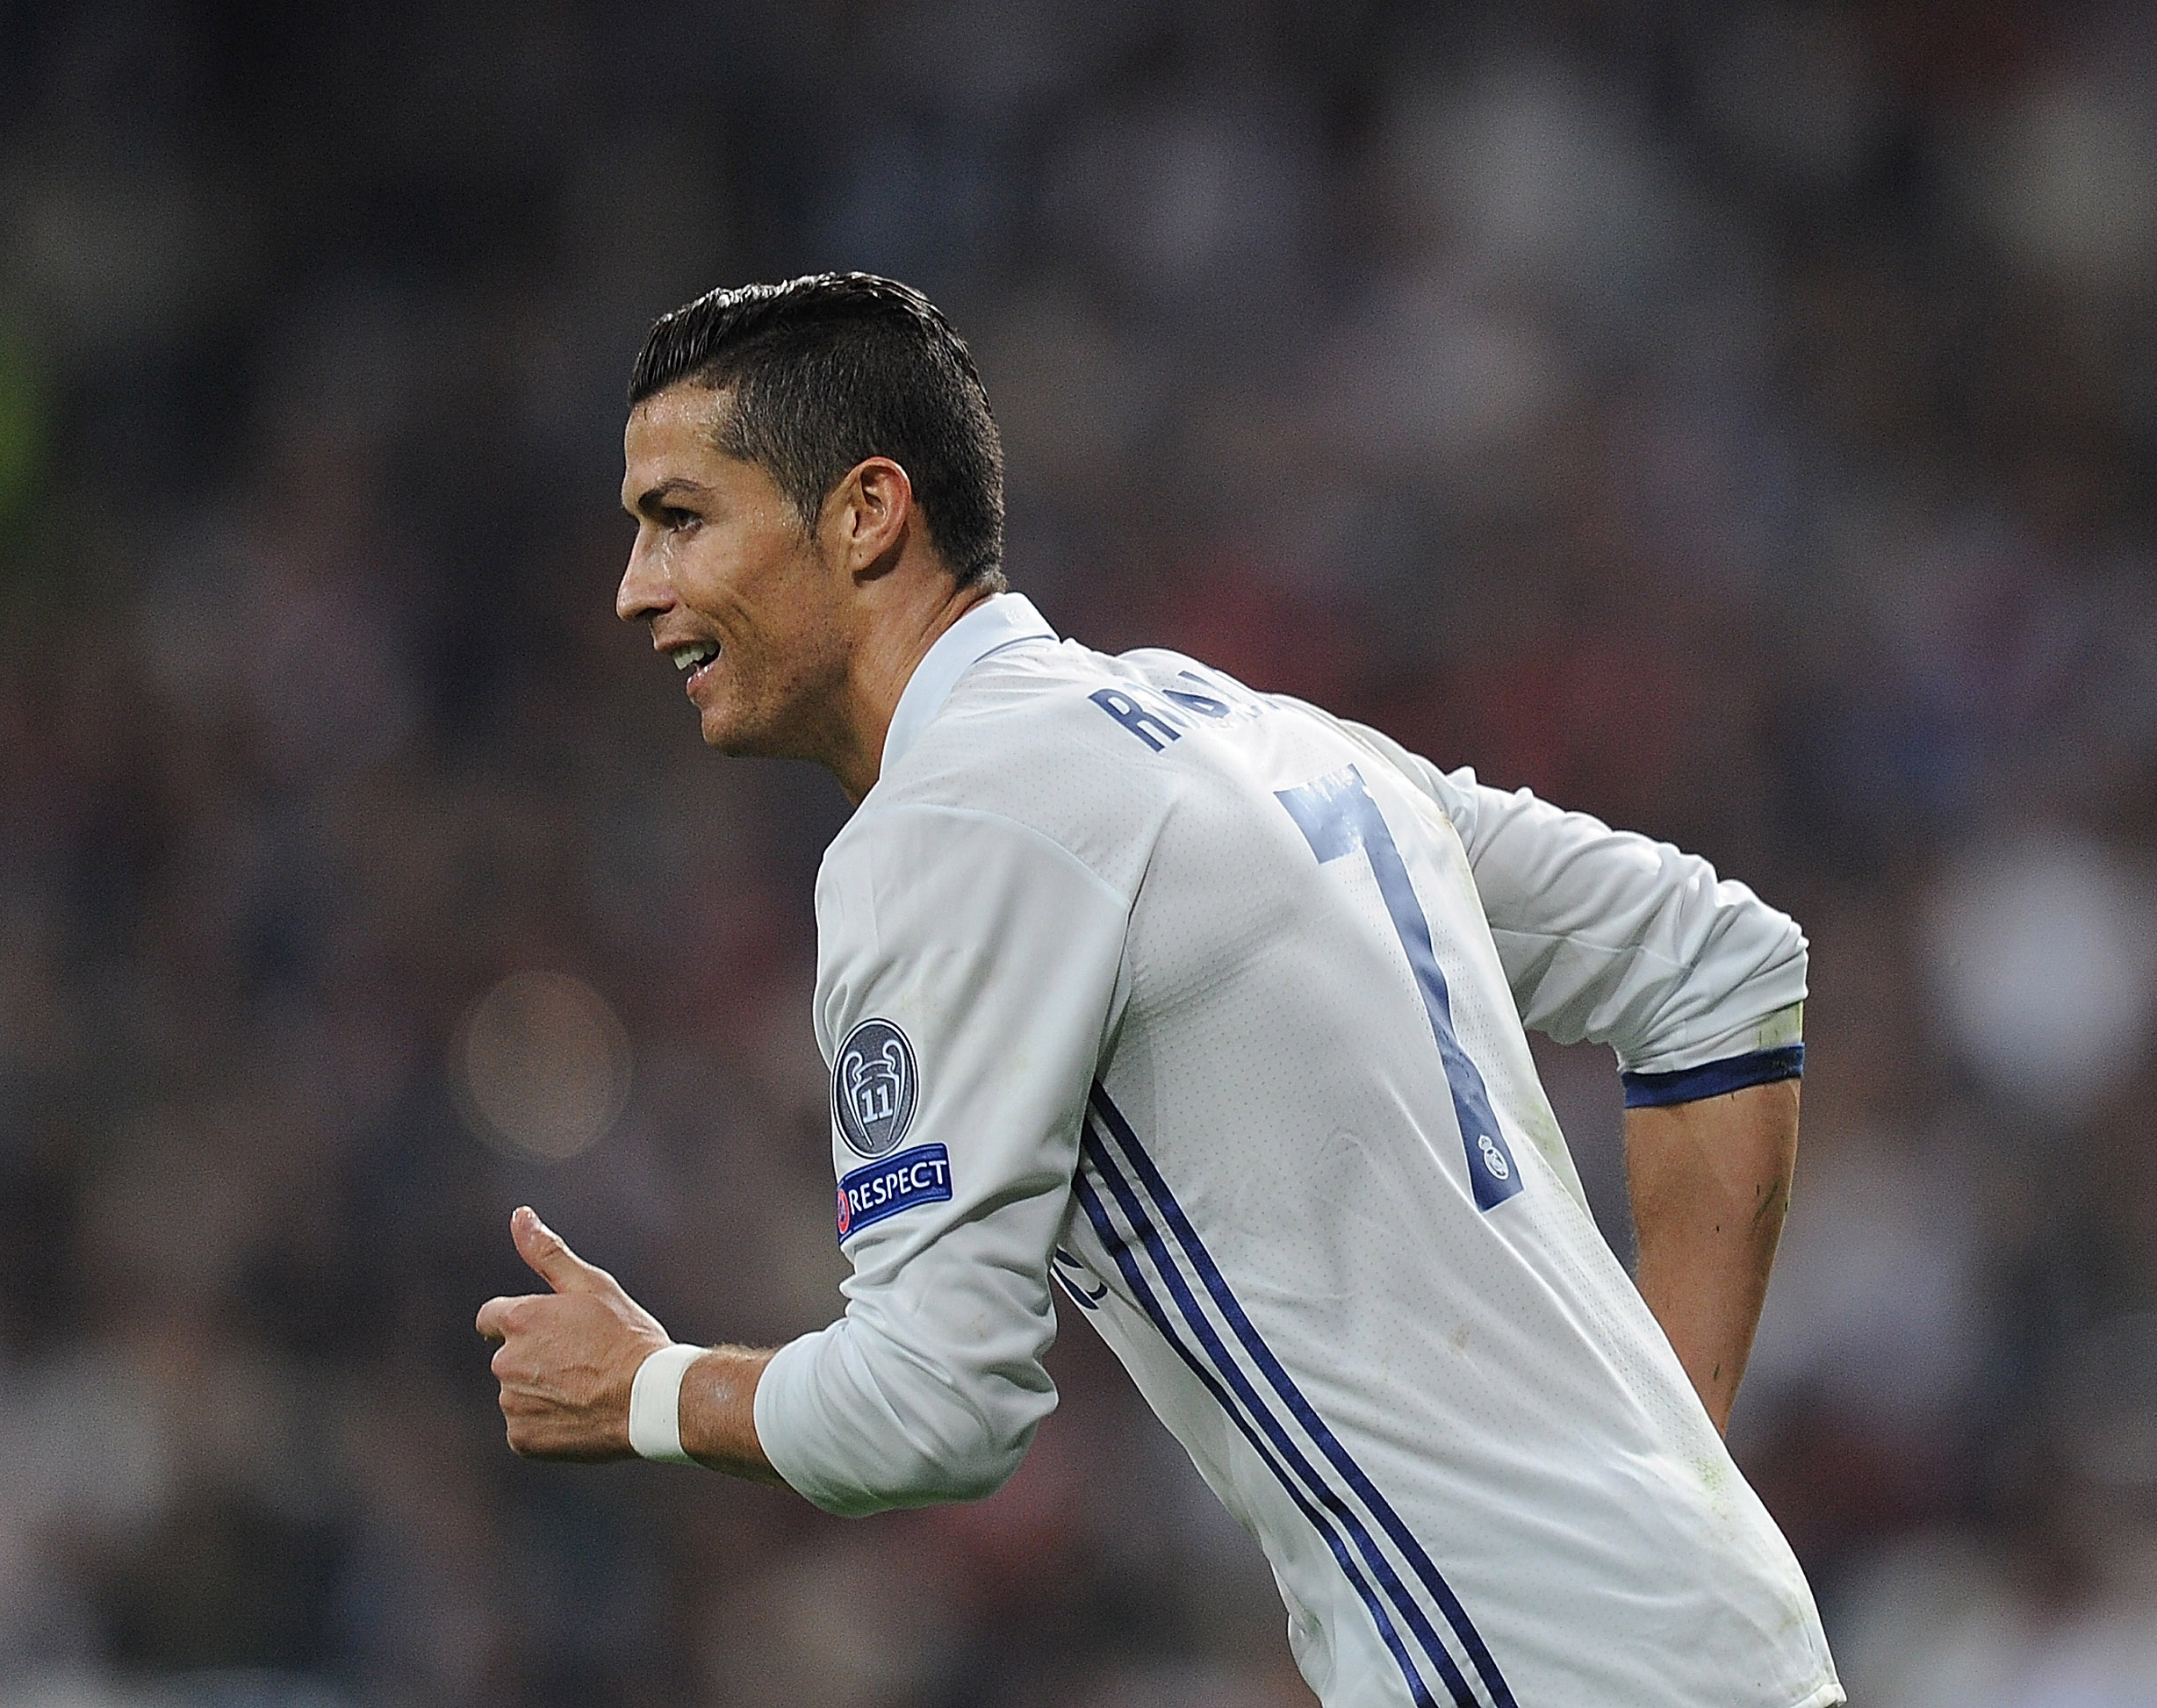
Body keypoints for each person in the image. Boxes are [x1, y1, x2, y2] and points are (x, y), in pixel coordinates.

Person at [476, 272, 1842, 1708]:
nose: (637, 586)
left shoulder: (947, 830)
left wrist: (647, 1387)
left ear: (868, 512)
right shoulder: (1251, 731)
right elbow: (1718, 964)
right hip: (1719, 1634)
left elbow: (929, 1406)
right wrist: (1657, 1485)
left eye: (681, 518)